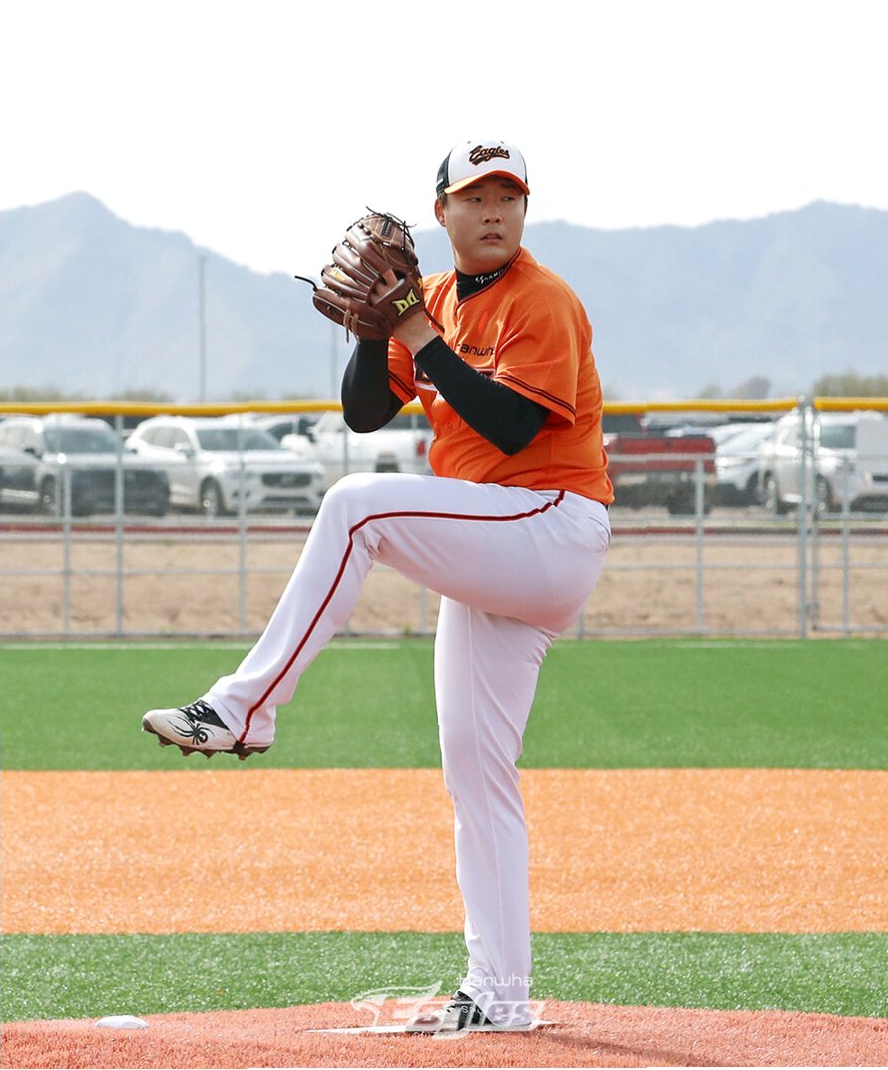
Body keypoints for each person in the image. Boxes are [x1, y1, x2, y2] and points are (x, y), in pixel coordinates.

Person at [142, 139, 614, 1033]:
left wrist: (415, 332)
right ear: (442, 212)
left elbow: (514, 428)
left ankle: (245, 706)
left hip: (550, 523)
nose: (494, 211)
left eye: (508, 195)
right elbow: (364, 412)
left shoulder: (541, 298)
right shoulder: (427, 299)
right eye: (475, 196)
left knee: (357, 507)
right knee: (476, 773)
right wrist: (373, 330)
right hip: (496, 546)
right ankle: (501, 992)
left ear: (524, 209)